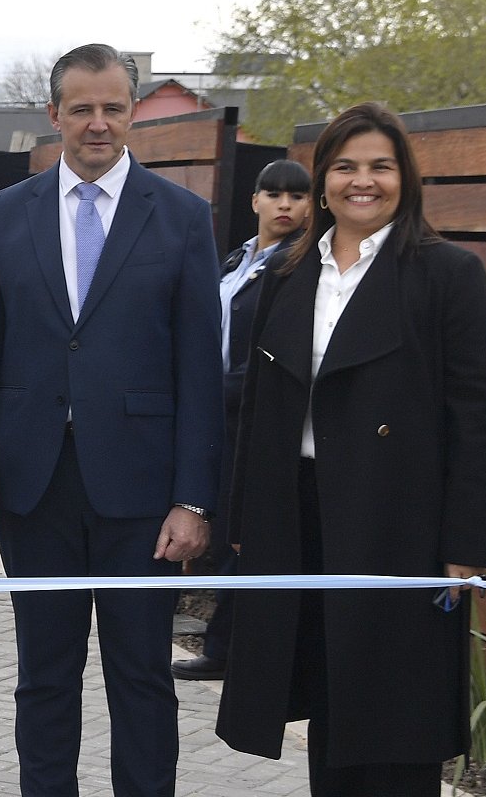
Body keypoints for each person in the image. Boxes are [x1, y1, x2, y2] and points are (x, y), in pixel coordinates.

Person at [0, 43, 221, 797]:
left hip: (143, 493)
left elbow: (201, 371)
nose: (98, 123)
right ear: (55, 115)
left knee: (141, 675)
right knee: (44, 675)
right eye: (82, 109)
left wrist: (194, 499)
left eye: (113, 108)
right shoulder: (5, 214)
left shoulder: (183, 218)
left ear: (132, 114)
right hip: (34, 488)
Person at [215, 102, 486, 795]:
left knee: (395, 716)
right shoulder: (286, 272)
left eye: (380, 166)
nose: (362, 181)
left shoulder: (448, 274)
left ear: (406, 178)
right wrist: (244, 520)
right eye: (345, 166)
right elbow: (259, 408)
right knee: (325, 699)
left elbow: (475, 419)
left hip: (398, 522)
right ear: (323, 181)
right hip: (297, 517)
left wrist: (463, 547)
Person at [173, 159, 311, 681]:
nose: (284, 205)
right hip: (212, 415)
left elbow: (278, 354)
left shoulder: (299, 266)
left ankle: (227, 651)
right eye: (274, 194)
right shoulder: (237, 258)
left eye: (297, 196)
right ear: (255, 200)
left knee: (240, 532)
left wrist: (212, 390)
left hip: (248, 415)